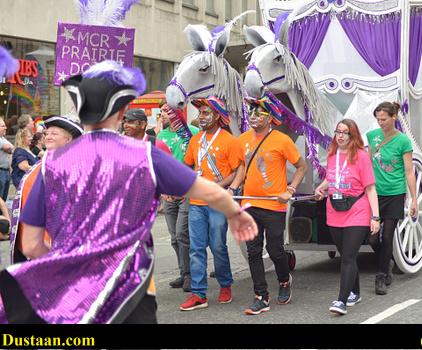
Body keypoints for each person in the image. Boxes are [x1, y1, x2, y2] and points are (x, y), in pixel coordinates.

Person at [0, 60, 257, 324]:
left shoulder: (49, 167)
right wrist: (235, 213)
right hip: (130, 298)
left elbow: (31, 246)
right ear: (122, 111)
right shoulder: (144, 156)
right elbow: (209, 191)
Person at [237, 97, 307, 315]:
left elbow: (301, 166)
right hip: (249, 204)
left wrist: (290, 189)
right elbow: (242, 168)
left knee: (275, 250)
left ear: (270, 118)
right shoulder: (242, 139)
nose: (254, 116)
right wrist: (232, 188)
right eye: (251, 112)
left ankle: (284, 281)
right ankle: (261, 296)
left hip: (274, 205)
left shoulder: (282, 140)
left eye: (259, 113)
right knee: (253, 251)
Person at [180, 96, 243, 311]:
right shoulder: (195, 140)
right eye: (200, 113)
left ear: (217, 116)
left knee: (217, 246)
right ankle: (199, 294)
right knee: (196, 248)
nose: (202, 117)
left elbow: (237, 170)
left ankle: (225, 284)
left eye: (206, 113)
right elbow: (188, 166)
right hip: (196, 202)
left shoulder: (230, 141)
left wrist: (222, 185)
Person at [314, 119, 380, 315]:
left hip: (357, 210)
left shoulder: (361, 156)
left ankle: (341, 301)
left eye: (345, 132)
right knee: (345, 255)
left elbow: (370, 188)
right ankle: (356, 292)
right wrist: (322, 187)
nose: (340, 136)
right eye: (338, 132)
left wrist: (375, 217)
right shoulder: (332, 155)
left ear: (353, 135)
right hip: (334, 209)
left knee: (349, 257)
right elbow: (331, 177)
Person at [10, 115, 84, 264]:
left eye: (54, 133)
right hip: (36, 243)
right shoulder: (42, 165)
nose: (48, 136)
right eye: (46, 133)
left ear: (68, 140)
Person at [367, 102, 417, 295]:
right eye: (378, 119)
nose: (380, 123)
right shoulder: (372, 136)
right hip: (375, 193)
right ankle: (385, 261)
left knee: (387, 236)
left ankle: (381, 276)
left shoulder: (403, 141)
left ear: (394, 117)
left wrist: (414, 199)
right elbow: (367, 164)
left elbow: (408, 171)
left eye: (384, 119)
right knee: (372, 238)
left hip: (395, 192)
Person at [157, 103, 199, 292]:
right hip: (168, 193)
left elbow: (198, 161)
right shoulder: (162, 136)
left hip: (187, 192)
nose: (163, 115)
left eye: (166, 112)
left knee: (183, 235)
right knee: (174, 237)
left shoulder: (192, 132)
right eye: (162, 112)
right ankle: (183, 273)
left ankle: (191, 275)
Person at [0, 118, 14, 201]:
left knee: (4, 198)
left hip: (6, 172)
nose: (6, 128)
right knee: (0, 199)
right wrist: (14, 149)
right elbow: (8, 147)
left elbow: (12, 149)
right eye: (3, 126)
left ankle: (2, 214)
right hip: (1, 171)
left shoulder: (3, 139)